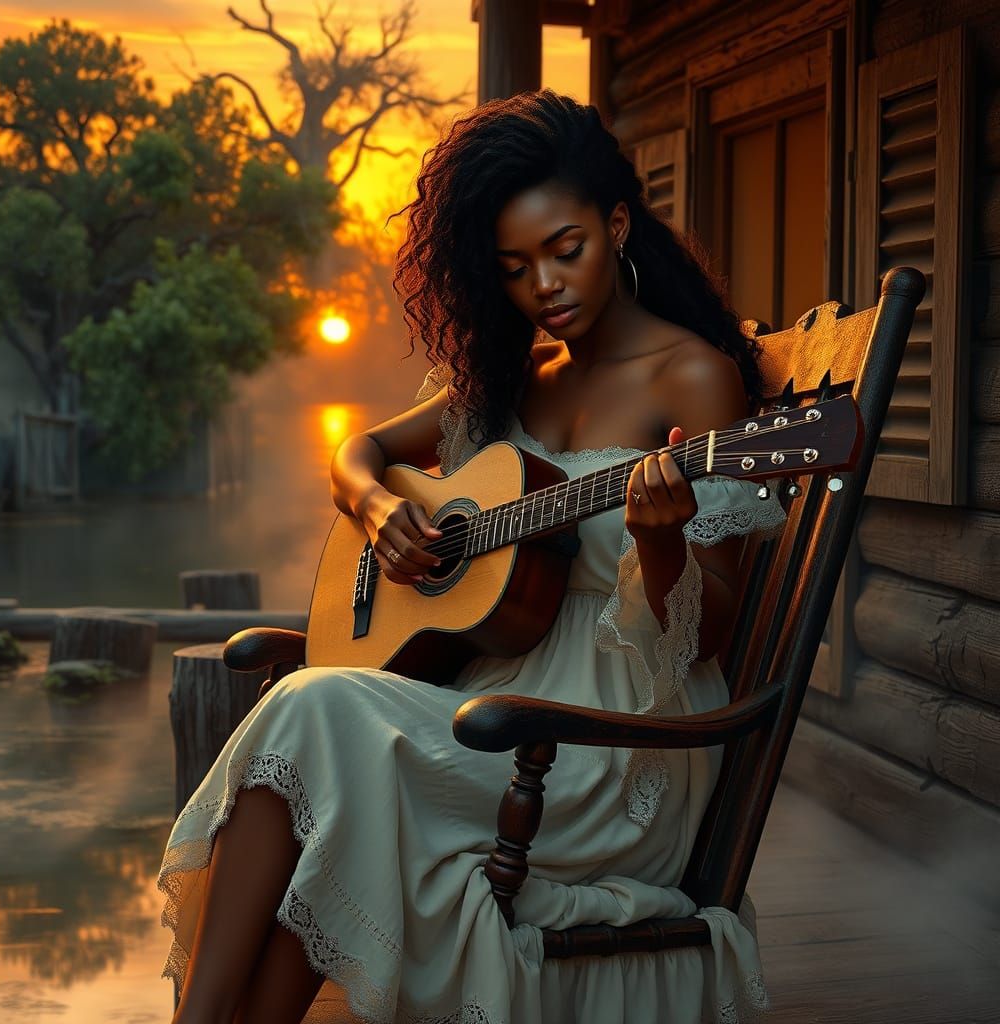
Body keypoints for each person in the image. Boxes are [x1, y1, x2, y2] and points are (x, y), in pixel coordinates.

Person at [158, 89, 785, 1024]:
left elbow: (709, 634)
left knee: (311, 714)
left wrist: (658, 542)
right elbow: (357, 453)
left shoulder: (692, 376)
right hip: (484, 705)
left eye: (564, 249)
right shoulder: (513, 386)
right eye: (516, 267)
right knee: (315, 770)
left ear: (616, 226)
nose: (546, 286)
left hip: (608, 743)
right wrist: (377, 513)